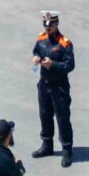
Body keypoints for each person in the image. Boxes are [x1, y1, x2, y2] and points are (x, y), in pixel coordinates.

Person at [31, 11, 75, 166]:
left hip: (59, 87)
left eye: (50, 25)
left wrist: (53, 65)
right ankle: (47, 144)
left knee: (63, 118)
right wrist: (35, 57)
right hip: (44, 84)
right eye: (45, 25)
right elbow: (36, 50)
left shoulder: (65, 43)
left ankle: (67, 149)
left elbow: (70, 65)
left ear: (57, 24)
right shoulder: (41, 38)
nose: (47, 28)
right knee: (44, 115)